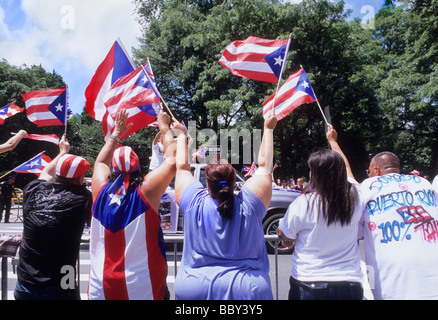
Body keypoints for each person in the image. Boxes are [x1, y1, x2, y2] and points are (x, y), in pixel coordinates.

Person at [173, 114, 277, 300]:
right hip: (249, 291)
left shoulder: (193, 202)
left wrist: (182, 137)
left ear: (207, 184)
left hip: (195, 289)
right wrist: (268, 129)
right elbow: (265, 166)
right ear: (233, 182)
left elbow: (181, 167)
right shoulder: (251, 204)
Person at [88, 109, 176, 300]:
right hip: (144, 288)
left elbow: (100, 161)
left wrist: (116, 135)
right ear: (138, 166)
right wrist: (164, 128)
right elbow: (172, 159)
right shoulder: (147, 191)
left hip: (101, 288)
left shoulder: (100, 190)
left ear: (113, 168)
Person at [277, 124, 366, 300]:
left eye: (312, 170)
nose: (309, 174)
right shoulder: (357, 197)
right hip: (349, 284)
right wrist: (332, 141)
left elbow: (284, 233)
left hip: (309, 283)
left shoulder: (303, 203)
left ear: (317, 174)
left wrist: (284, 234)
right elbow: (346, 168)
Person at [14, 134, 92, 300]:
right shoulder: (83, 197)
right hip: (64, 280)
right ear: (79, 178)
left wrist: (62, 152)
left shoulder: (32, 188)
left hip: (26, 280)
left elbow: (44, 173)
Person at [360, 151, 438, 300]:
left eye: (369, 171)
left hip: (393, 279)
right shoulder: (423, 182)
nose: (368, 175)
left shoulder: (369, 185)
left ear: (376, 170)